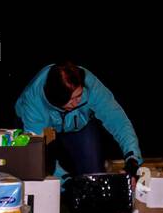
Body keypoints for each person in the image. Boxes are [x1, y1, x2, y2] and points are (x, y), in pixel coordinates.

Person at [14, 61, 142, 178]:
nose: (76, 104)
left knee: (93, 175)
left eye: (79, 95)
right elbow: (38, 156)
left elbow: (118, 120)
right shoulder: (33, 101)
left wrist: (132, 158)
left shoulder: (89, 84)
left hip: (79, 124)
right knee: (40, 170)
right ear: (56, 98)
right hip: (41, 128)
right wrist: (65, 181)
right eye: (70, 99)